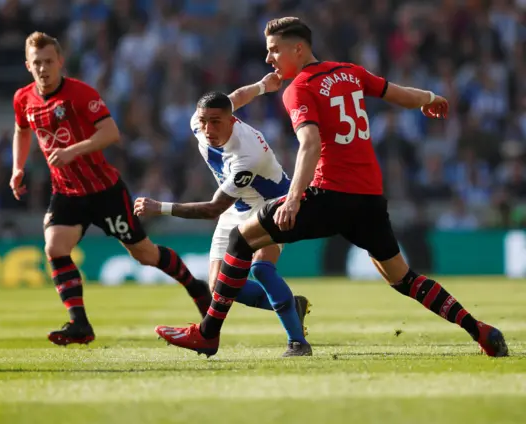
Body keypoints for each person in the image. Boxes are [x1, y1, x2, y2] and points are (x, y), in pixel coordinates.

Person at [155, 17, 508, 358]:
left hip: (328, 195)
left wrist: (293, 198)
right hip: (368, 198)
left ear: (298, 49)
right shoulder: (350, 73)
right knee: (403, 278)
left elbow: (310, 144)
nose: (268, 58)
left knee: (240, 239)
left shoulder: (299, 89)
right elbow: (398, 94)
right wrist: (431, 97)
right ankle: (481, 331)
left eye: (274, 50)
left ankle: (208, 334)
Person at [11, 32, 211, 346]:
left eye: (49, 61)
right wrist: (18, 167)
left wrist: (74, 150)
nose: (43, 68)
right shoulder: (23, 98)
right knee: (55, 247)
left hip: (104, 191)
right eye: (37, 63)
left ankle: (195, 287)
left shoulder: (79, 94)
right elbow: (22, 130)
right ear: (27, 65)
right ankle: (80, 324)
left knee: (145, 254)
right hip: (66, 192)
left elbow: (110, 132)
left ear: (60, 61)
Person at [134, 84, 312, 357]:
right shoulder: (200, 121)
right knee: (220, 288)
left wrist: (161, 207)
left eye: (216, 122)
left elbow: (212, 208)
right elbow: (237, 98)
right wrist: (263, 85)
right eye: (204, 121)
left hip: (270, 204)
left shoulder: (247, 154)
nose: (208, 129)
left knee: (261, 269)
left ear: (231, 121)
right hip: (235, 207)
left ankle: (297, 342)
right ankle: (291, 305)